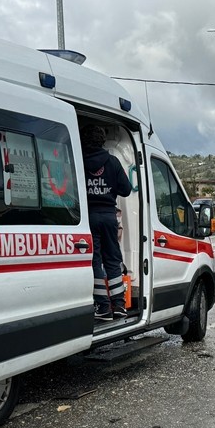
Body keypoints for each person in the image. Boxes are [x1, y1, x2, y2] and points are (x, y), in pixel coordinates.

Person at [82, 123, 132, 320]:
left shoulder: (80, 160)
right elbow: (126, 190)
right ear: (102, 141)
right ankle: (119, 305)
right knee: (112, 259)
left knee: (95, 260)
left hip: (89, 216)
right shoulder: (113, 162)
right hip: (109, 216)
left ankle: (103, 307)